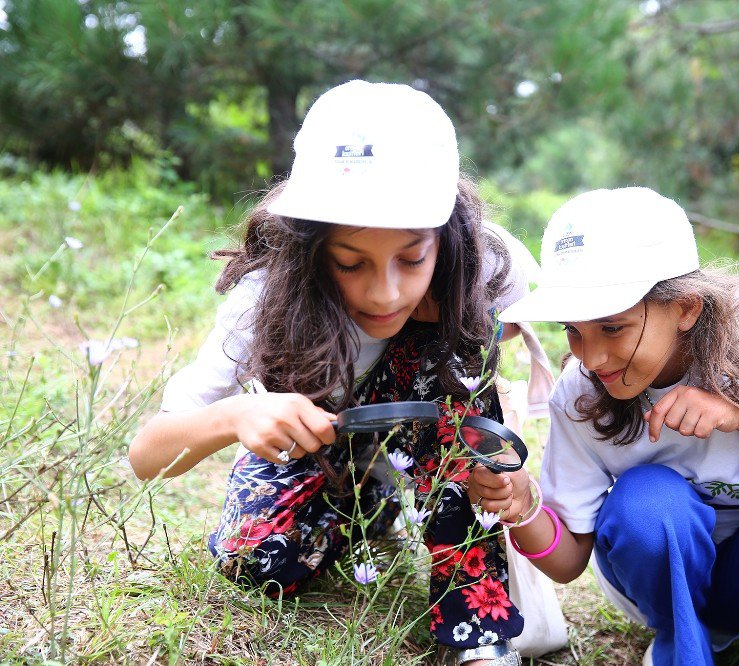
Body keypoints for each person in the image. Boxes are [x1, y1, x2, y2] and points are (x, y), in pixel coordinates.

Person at [129, 80, 528, 665]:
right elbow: (146, 456)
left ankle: (476, 624)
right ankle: (373, 509)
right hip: (319, 451)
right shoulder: (263, 301)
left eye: (413, 258)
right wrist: (239, 414)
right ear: (310, 247)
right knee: (258, 560)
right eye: (350, 262)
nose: (385, 291)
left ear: (450, 237)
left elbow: (520, 335)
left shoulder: (487, 265)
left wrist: (457, 324)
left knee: (445, 358)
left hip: (431, 427)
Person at [466, 187, 739, 665]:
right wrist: (521, 506)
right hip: (663, 582)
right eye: (573, 330)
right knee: (647, 500)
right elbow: (569, 559)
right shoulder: (579, 394)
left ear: (685, 307)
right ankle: (682, 645)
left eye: (613, 327)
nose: (591, 356)